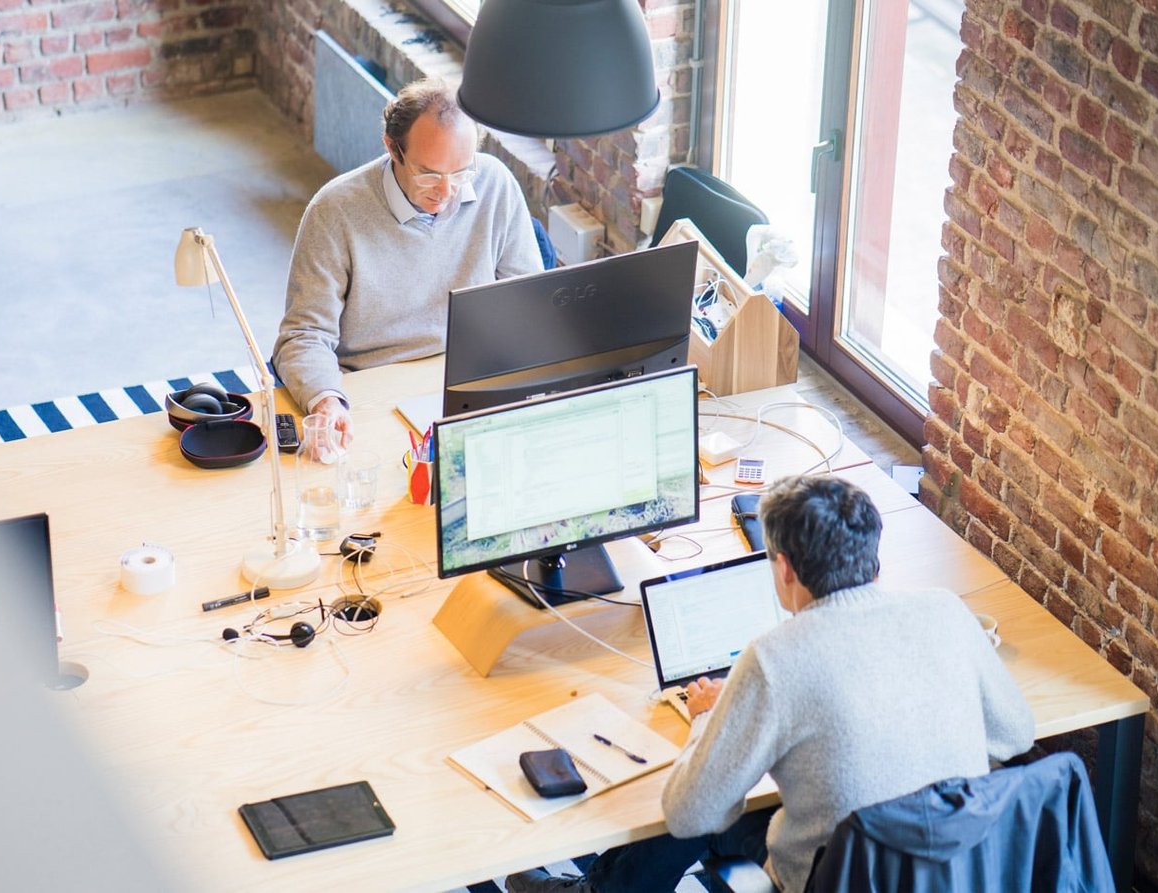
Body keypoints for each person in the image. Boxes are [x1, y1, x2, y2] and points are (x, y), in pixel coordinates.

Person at [507, 475, 1036, 893]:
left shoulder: (775, 658)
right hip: (955, 872)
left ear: (784, 569)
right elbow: (1014, 735)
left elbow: (690, 814)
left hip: (832, 878)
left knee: (707, 796)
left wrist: (707, 719)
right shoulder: (945, 611)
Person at [272, 78, 542, 447]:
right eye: (429, 173)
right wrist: (326, 401)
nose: (446, 192)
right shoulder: (333, 211)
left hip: (465, 378)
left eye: (460, 173)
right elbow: (303, 335)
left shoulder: (494, 182)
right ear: (392, 148)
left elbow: (528, 304)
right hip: (369, 387)